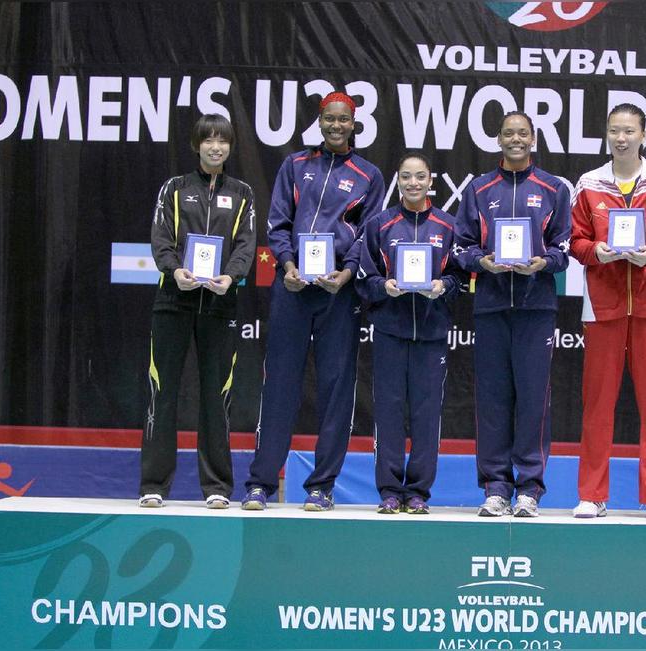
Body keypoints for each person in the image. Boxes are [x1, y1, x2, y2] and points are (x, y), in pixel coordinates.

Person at [242, 92, 384, 511]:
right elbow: (278, 222)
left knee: (337, 388)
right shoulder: (295, 165)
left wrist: (348, 272)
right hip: (293, 288)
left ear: (354, 124)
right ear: (320, 122)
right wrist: (287, 265)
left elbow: (369, 234)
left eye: (344, 120)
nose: (336, 126)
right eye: (329, 119)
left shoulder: (369, 175)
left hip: (338, 292)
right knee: (279, 384)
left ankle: (322, 486)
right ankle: (260, 483)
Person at [569, 103, 646, 520]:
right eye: (614, 131)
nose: (621, 138)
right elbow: (575, 240)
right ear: (606, 134)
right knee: (597, 404)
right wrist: (595, 251)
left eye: (629, 131)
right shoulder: (589, 183)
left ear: (644, 135)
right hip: (603, 306)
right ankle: (592, 493)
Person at [453, 111, 571, 517]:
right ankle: (496, 487)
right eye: (508, 133)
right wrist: (482, 262)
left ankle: (529, 489)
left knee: (534, 399)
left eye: (522, 133)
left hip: (536, 306)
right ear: (498, 139)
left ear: (533, 138)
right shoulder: (479, 189)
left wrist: (543, 262)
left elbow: (564, 248)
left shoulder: (554, 188)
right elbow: (461, 245)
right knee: (492, 399)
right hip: (491, 304)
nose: (515, 139)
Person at [140, 114, 256, 509]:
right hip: (174, 301)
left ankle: (218, 486)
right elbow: (160, 238)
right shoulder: (174, 188)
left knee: (217, 395)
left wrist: (231, 276)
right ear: (196, 145)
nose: (215, 147)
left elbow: (246, 244)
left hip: (220, 303)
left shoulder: (242, 193)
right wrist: (175, 271)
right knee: (162, 391)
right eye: (208, 140)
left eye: (222, 140)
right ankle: (153, 484)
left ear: (230, 147)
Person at [355, 152, 465, 515]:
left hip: (432, 333)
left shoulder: (448, 226)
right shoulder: (380, 225)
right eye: (406, 176)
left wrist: (443, 286)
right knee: (387, 411)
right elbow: (365, 276)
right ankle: (389, 490)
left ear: (431, 181)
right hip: (390, 330)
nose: (413, 183)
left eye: (420, 176)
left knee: (426, 414)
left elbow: (461, 275)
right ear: (397, 181)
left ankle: (418, 491)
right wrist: (383, 287)